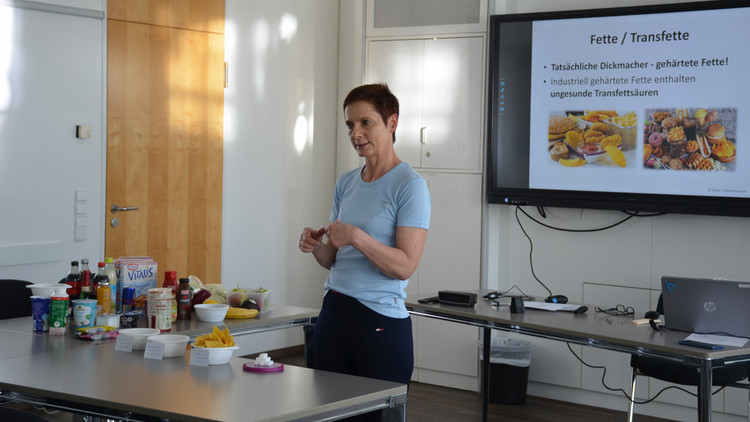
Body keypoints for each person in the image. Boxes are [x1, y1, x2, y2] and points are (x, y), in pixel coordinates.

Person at [299, 83, 430, 389]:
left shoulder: (410, 186)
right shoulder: (346, 183)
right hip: (333, 314)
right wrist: (316, 246)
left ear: (392, 123)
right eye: (350, 125)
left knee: (375, 411)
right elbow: (333, 259)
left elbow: (405, 266)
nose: (356, 134)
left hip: (378, 321)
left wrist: (357, 236)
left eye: (365, 123)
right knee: (326, 408)